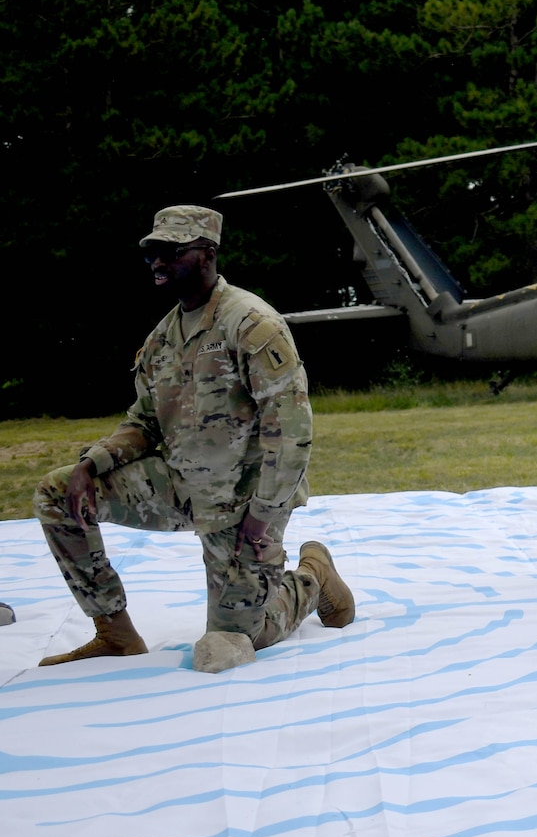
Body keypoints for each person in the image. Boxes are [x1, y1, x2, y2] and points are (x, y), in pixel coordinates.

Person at [33, 205, 354, 668]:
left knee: (229, 646)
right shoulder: (161, 340)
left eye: (170, 253)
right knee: (57, 491)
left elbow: (291, 433)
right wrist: (91, 464)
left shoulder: (250, 324)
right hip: (180, 485)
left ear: (206, 254)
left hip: (244, 505)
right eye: (151, 255)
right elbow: (144, 423)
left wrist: (263, 520)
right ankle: (116, 634)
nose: (158, 264)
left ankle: (310, 576)